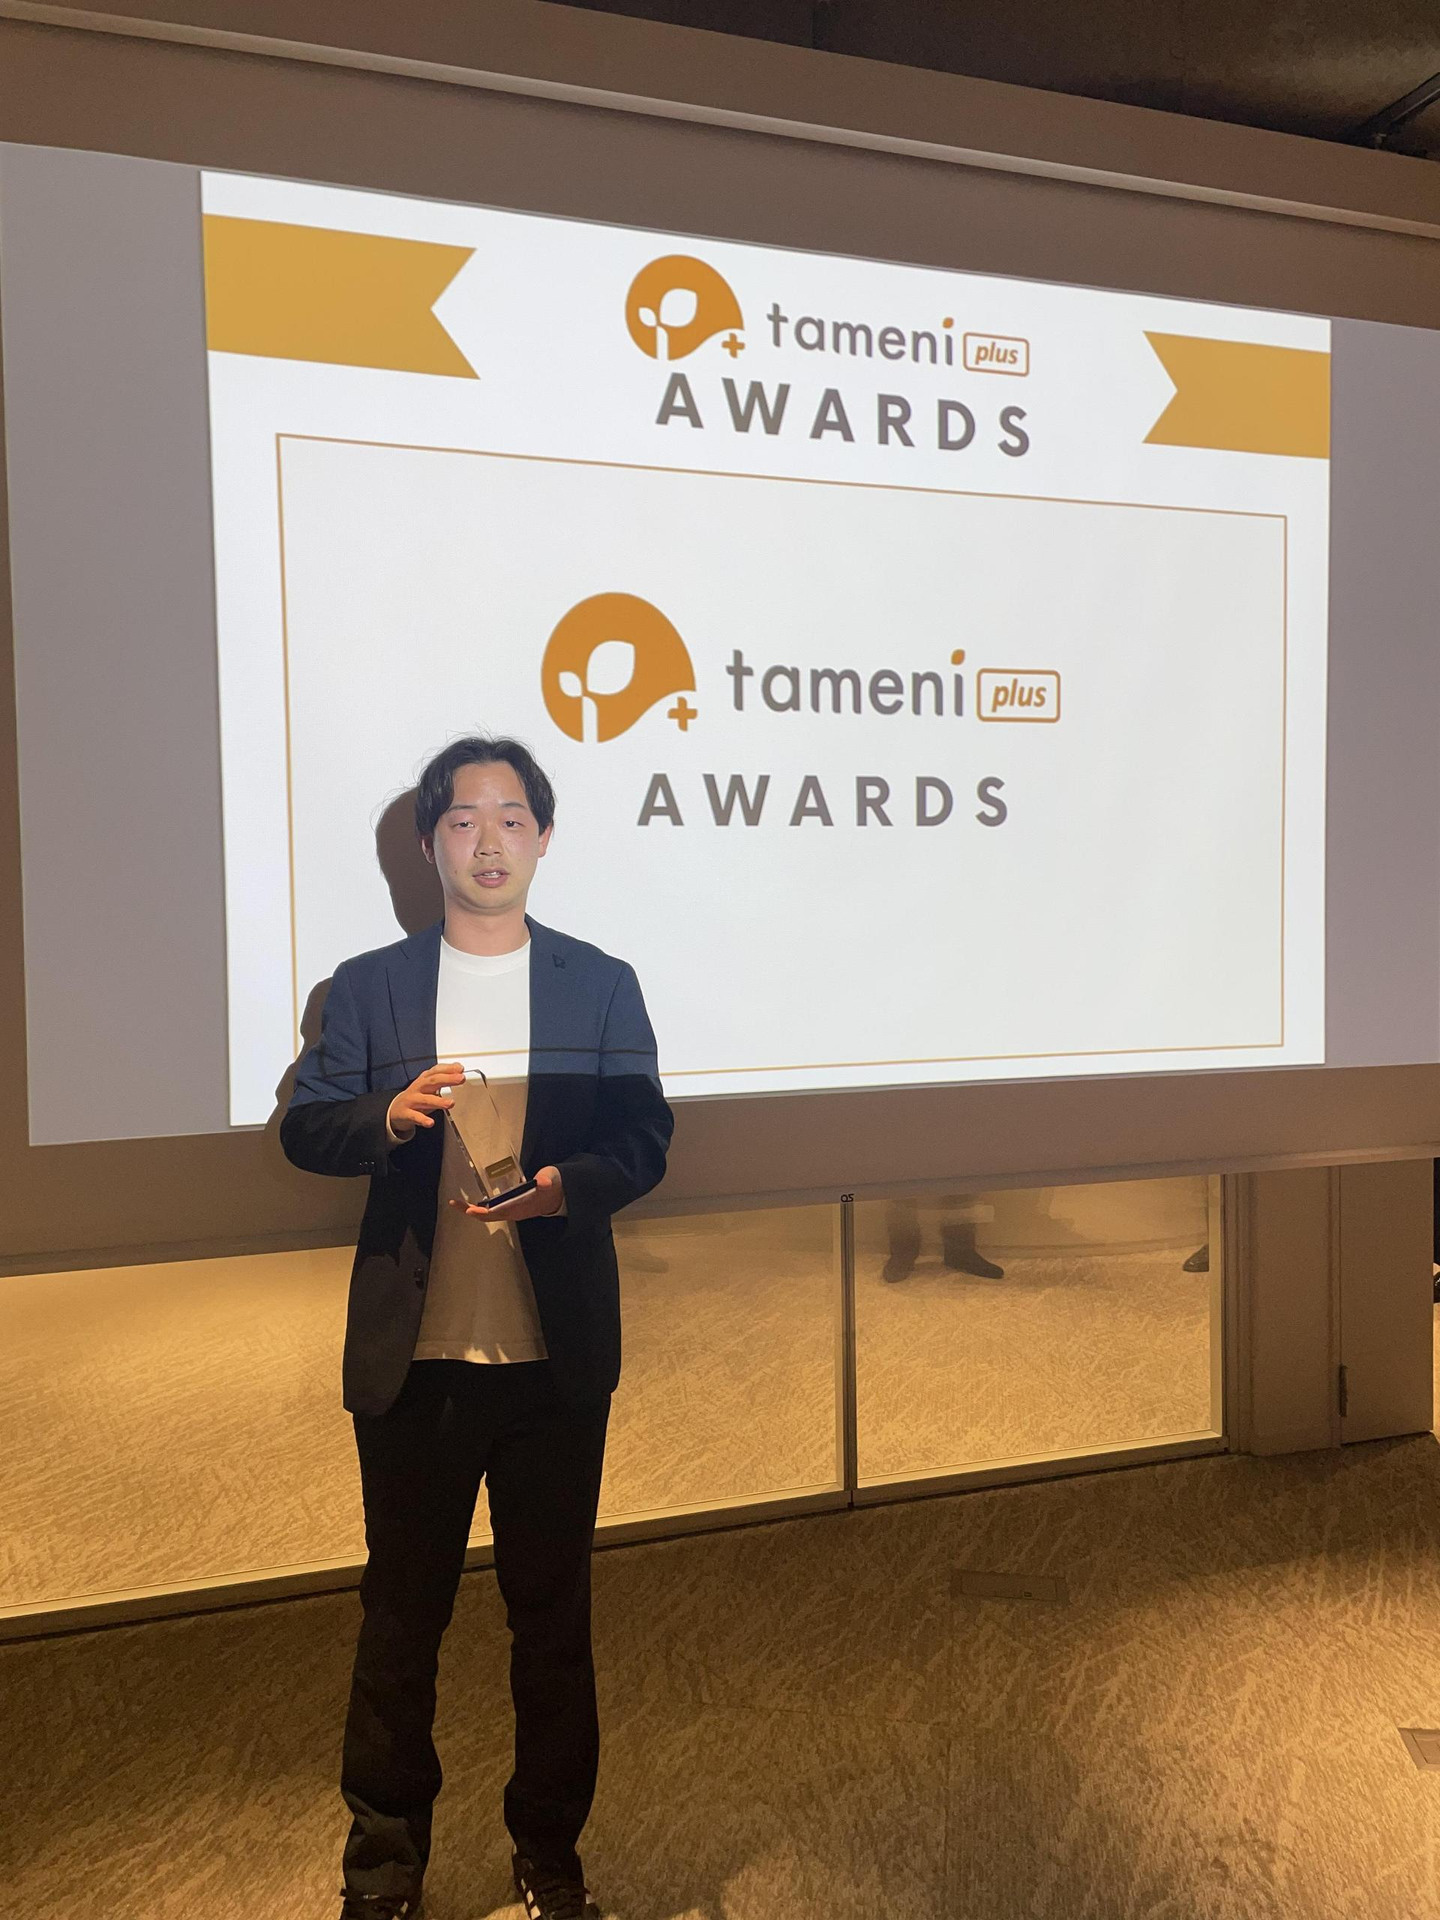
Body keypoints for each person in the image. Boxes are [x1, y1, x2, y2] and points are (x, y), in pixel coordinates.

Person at [280, 735, 673, 1920]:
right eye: (463, 819)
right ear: (428, 842)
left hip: (555, 1361)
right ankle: (383, 1870)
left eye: (511, 818)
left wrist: (566, 1190)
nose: (488, 841)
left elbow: (644, 1139)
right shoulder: (369, 986)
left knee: (553, 1622)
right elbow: (306, 1126)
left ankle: (550, 1859)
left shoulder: (601, 983)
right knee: (403, 1622)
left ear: (543, 838)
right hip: (418, 1365)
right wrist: (385, 1117)